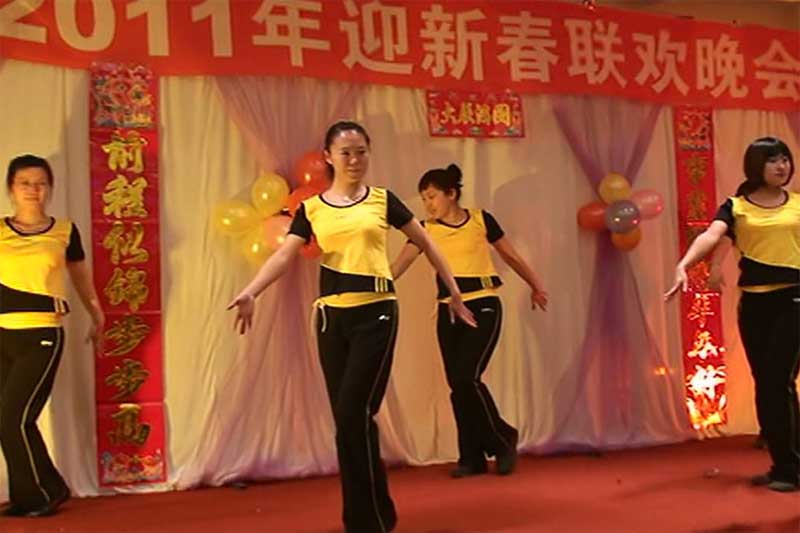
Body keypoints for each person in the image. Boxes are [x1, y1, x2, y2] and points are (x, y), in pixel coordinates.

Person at [228, 122, 476, 533]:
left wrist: (454, 292)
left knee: (352, 413)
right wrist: (252, 291)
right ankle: (377, 512)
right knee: (350, 421)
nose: (355, 160)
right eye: (346, 153)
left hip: (376, 315)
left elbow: (427, 242)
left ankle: (365, 521)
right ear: (328, 157)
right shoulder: (312, 208)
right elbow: (285, 255)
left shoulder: (382, 200)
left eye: (361, 151)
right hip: (331, 319)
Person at [390, 164, 548, 478]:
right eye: (424, 199)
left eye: (432, 196)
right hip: (448, 311)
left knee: (466, 377)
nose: (428, 204)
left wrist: (536, 285)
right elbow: (400, 263)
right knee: (458, 386)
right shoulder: (424, 229)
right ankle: (472, 457)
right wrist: (375, 285)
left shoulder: (480, 220)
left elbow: (511, 256)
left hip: (483, 305)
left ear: (451, 194)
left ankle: (502, 439)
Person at [665, 137, 799, 492]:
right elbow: (712, 235)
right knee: (766, 383)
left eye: (785, 159)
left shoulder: (798, 204)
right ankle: (783, 464)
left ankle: (790, 469)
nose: (781, 166)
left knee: (778, 380)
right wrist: (684, 265)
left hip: (794, 299)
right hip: (754, 304)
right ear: (756, 166)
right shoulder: (736, 206)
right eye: (772, 160)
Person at [0, 154, 105, 516]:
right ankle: (35, 491)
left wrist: (97, 313)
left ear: (50, 188)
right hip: (2, 335)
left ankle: (43, 494)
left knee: (14, 418)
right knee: (7, 418)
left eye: (40, 183)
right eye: (24, 183)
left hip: (42, 335)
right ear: (11, 189)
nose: (33, 190)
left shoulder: (64, 231)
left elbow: (81, 278)